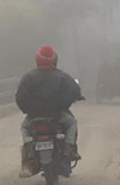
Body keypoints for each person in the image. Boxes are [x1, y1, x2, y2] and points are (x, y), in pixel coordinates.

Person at [15, 45, 82, 178]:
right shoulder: (62, 76)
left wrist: (26, 110)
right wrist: (69, 101)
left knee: (24, 127)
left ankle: (28, 150)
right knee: (72, 123)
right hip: (57, 116)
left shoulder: (28, 77)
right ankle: (68, 148)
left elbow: (19, 97)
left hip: (34, 117)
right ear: (54, 60)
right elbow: (74, 90)